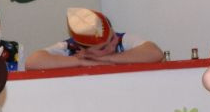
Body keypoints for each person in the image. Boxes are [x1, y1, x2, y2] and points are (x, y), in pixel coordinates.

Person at [26, 8, 165, 70]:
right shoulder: (69, 48)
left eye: (112, 38)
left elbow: (155, 53)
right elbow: (32, 62)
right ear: (81, 49)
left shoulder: (122, 40)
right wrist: (80, 62)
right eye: (103, 48)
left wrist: (106, 59)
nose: (112, 46)